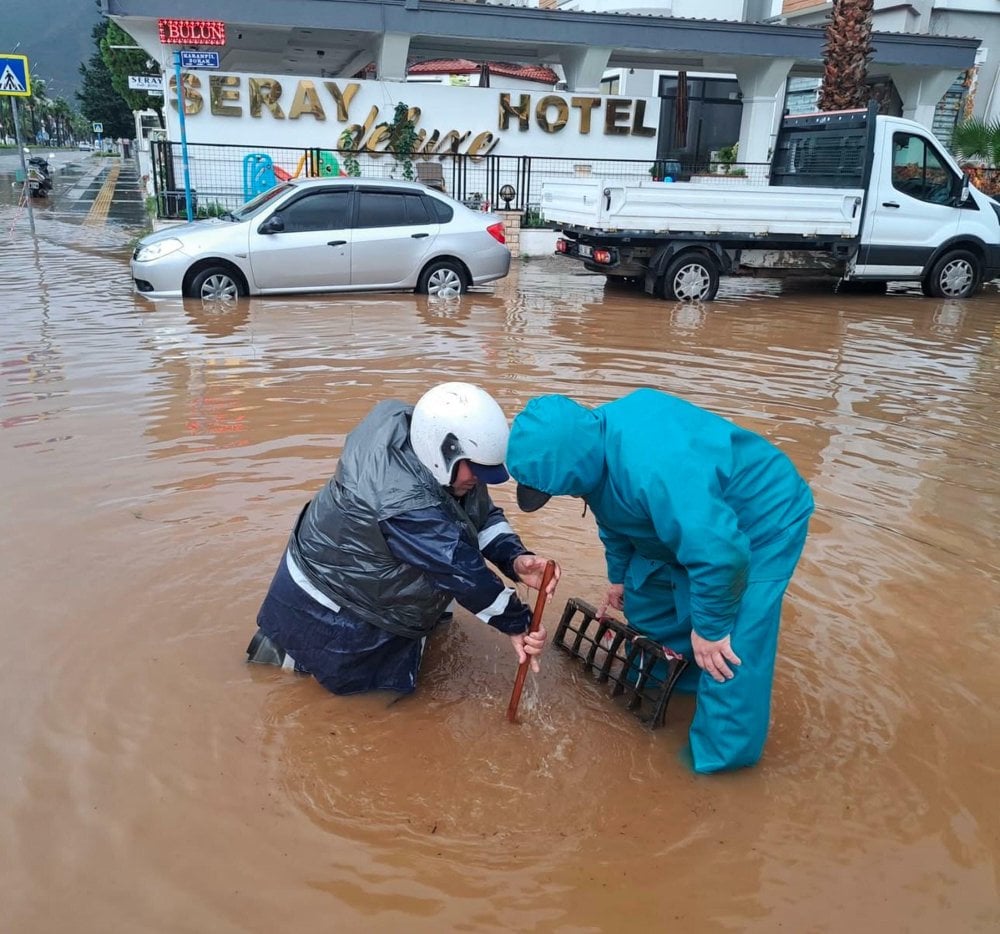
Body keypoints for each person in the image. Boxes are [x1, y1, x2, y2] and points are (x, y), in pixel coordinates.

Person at [506, 388, 813, 774]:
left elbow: (721, 554)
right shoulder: (590, 443)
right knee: (646, 596)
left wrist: (712, 628)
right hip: (699, 525)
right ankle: (671, 683)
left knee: (728, 653)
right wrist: (618, 578)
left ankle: (717, 765)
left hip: (758, 521)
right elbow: (614, 518)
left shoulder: (655, 468)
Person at [247, 382, 560, 696]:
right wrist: (518, 622)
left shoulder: (435, 453)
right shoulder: (403, 501)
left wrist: (515, 558)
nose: (479, 479)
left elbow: (479, 515)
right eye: (476, 470)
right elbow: (458, 569)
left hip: (372, 584)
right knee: (347, 700)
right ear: (444, 451)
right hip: (334, 612)